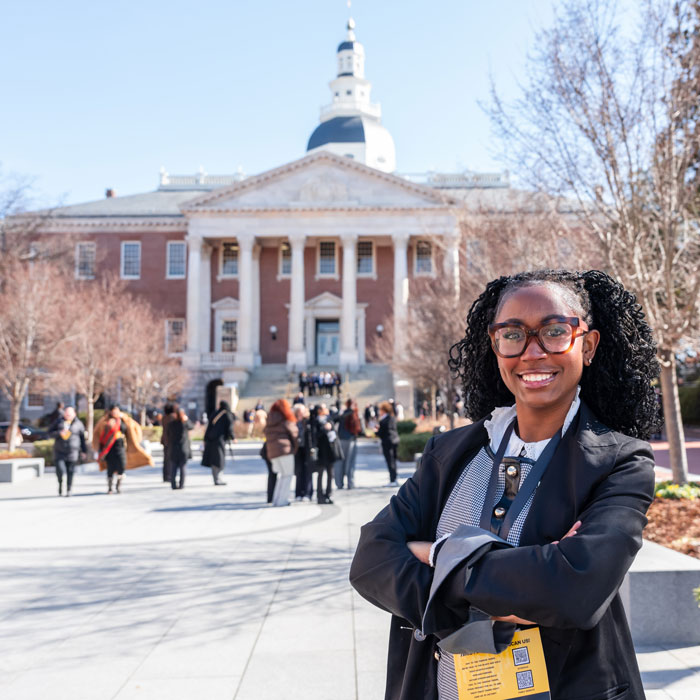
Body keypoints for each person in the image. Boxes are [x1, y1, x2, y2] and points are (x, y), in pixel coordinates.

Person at [349, 269, 660, 700]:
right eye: (512, 334)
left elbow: (575, 590)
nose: (532, 353)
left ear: (587, 346)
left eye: (554, 331)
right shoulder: (449, 454)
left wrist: (434, 557)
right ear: (495, 347)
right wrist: (528, 575)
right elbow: (370, 562)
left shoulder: (620, 461)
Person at [93, 405, 154, 493]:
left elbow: (134, 427)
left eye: (116, 410)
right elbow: (98, 433)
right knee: (110, 467)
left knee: (121, 465)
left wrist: (125, 417)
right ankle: (110, 487)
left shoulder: (123, 420)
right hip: (109, 448)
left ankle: (118, 486)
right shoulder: (105, 421)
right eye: (113, 411)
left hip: (121, 446)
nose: (115, 413)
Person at [263, 399, 299, 507]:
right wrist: (294, 448)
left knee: (282, 476)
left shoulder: (270, 420)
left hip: (273, 453)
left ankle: (277, 499)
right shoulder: (285, 420)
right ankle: (282, 500)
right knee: (287, 476)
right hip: (285, 451)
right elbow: (294, 434)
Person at [49, 406, 87, 496]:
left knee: (70, 471)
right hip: (59, 451)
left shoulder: (79, 424)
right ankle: (60, 484)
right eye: (66, 413)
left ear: (74, 414)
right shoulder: (58, 422)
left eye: (70, 413)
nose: (68, 415)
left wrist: (84, 451)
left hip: (72, 452)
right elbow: (49, 432)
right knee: (60, 470)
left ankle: (69, 489)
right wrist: (59, 433)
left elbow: (82, 439)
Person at [313, 404, 343, 504]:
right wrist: (324, 429)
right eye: (324, 408)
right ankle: (319, 496)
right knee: (320, 474)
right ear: (319, 411)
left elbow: (334, 434)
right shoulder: (315, 421)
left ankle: (329, 494)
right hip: (321, 452)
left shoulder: (329, 419)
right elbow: (315, 436)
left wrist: (330, 427)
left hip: (330, 452)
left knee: (330, 474)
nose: (326, 410)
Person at [201, 401, 235, 485]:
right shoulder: (227, 414)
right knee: (219, 460)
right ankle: (218, 479)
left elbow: (209, 427)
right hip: (220, 440)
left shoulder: (215, 414)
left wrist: (205, 439)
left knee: (214, 460)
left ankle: (216, 478)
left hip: (211, 440)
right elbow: (230, 428)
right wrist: (233, 437)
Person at [335, 399, 362, 489]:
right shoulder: (351, 413)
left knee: (341, 462)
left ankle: (340, 484)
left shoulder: (345, 413)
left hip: (344, 439)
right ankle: (350, 483)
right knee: (349, 463)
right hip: (349, 440)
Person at [166, 407, 192, 490]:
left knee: (173, 467)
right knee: (182, 467)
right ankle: (181, 485)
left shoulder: (171, 424)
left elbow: (167, 434)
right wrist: (187, 419)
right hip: (183, 448)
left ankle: (173, 485)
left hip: (173, 448)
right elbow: (191, 426)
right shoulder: (184, 424)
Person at [376, 400, 399, 486]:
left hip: (387, 442)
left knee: (390, 461)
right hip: (394, 440)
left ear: (383, 410)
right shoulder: (392, 418)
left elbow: (382, 433)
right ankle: (394, 478)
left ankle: (392, 480)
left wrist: (376, 431)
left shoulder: (384, 420)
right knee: (393, 460)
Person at [293, 403, 313, 500]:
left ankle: (308, 493)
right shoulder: (293, 421)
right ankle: (298, 493)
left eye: (303, 410)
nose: (301, 413)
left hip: (307, 448)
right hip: (297, 449)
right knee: (299, 471)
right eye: (300, 411)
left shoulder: (308, 421)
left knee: (308, 471)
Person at [160, 403, 177, 483]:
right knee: (170, 459)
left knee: (166, 459)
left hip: (165, 440)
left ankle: (165, 476)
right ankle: (169, 475)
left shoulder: (164, 417)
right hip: (171, 440)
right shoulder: (173, 417)